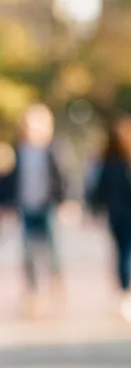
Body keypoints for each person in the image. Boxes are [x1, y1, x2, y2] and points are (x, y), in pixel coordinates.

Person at [88, 114, 131, 325]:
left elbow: (99, 190)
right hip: (128, 214)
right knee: (127, 253)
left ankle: (124, 291)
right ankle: (126, 291)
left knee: (121, 253)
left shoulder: (110, 161)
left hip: (117, 214)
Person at [0, 104, 66, 314]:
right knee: (28, 251)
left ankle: (56, 281)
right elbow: (10, 180)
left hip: (47, 206)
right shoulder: (19, 150)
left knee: (51, 249)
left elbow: (62, 177)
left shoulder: (54, 149)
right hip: (26, 206)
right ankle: (32, 291)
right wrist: (6, 203)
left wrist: (65, 201)